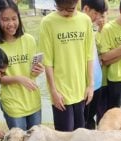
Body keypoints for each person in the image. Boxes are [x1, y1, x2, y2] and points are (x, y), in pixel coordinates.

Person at [0, 0, 45, 130]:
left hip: (33, 100)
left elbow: (32, 72)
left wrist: (38, 70)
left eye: (14, 18)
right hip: (13, 105)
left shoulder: (28, 40)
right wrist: (19, 78)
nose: (11, 24)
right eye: (5, 19)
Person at [39, 0, 94, 131]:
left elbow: (89, 56)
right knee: (64, 137)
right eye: (60, 8)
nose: (64, 12)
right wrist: (53, 91)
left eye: (69, 9)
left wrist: (90, 85)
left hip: (81, 91)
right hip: (61, 93)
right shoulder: (47, 23)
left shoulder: (85, 20)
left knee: (80, 134)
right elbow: (47, 61)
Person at [81, 0, 108, 129]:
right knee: (83, 120)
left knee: (90, 118)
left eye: (100, 14)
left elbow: (99, 50)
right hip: (84, 84)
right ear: (85, 9)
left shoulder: (92, 28)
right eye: (96, 13)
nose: (98, 17)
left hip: (97, 82)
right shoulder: (79, 28)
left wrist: (101, 29)